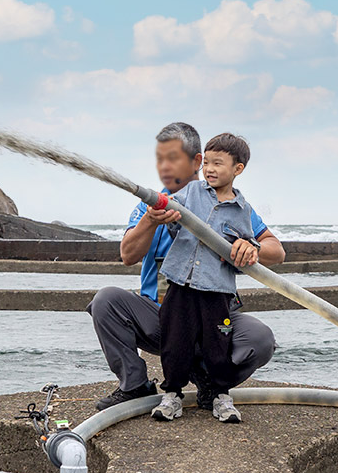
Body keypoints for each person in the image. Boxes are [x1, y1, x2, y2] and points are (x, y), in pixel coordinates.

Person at [85, 122, 283, 411]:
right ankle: (134, 385)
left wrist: (252, 247)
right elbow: (127, 255)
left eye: (175, 158)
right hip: (161, 316)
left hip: (215, 314)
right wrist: (151, 220)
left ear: (197, 161)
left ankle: (209, 383)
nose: (166, 166)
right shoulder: (153, 205)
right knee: (106, 300)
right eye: (161, 158)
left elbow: (277, 251)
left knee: (260, 339)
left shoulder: (235, 208)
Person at [151, 133, 262, 424]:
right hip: (180, 283)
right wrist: (164, 214)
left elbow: (248, 250)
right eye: (207, 163)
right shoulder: (191, 193)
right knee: (174, 340)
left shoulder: (242, 210)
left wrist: (249, 249)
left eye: (218, 163)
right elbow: (170, 214)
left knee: (218, 344)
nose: (209, 169)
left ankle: (220, 395)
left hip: (217, 291)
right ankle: (172, 394)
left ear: (238, 169)